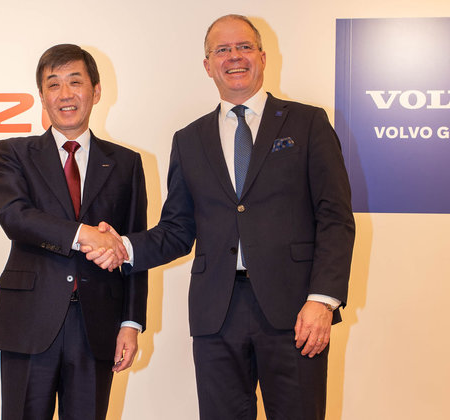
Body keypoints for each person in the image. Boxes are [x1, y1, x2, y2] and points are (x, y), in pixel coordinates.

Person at [87, 15, 355, 420]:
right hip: (216, 314)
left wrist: (322, 300)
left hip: (296, 311)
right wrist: (122, 247)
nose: (234, 57)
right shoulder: (189, 139)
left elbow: (335, 218)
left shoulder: (308, 123)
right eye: (222, 50)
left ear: (262, 56)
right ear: (208, 65)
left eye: (244, 47)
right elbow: (177, 230)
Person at [0, 44, 147, 420]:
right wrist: (84, 235)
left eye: (75, 82)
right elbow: (14, 216)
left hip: (98, 325)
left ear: (96, 90)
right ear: (42, 96)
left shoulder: (126, 163)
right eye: (53, 84)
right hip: (30, 320)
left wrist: (131, 323)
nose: (65, 94)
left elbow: (134, 247)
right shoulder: (13, 153)